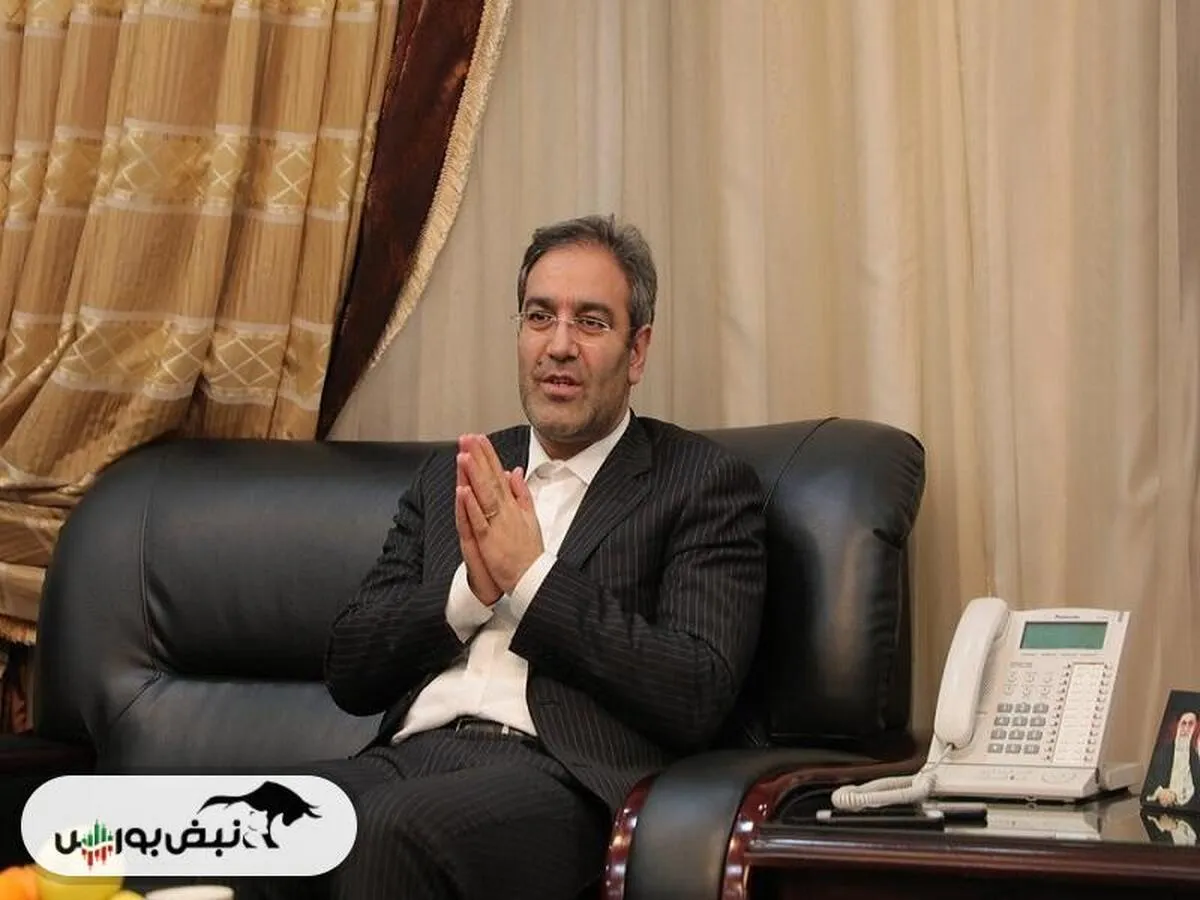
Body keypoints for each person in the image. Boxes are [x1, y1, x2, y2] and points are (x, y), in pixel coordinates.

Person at [245, 215, 767, 900]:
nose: (559, 346)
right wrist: (470, 593)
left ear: (637, 351)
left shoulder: (701, 482)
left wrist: (532, 579)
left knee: (394, 828)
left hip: (562, 778)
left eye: (591, 323)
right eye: (539, 317)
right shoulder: (454, 475)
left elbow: (695, 689)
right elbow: (351, 670)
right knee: (241, 822)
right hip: (409, 757)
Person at [1145, 711, 1200, 809]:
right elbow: (1148, 783)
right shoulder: (1161, 753)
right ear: (1177, 725)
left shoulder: (1196, 758)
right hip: (1161, 809)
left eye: (1190, 724)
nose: (1185, 729)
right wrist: (1160, 792)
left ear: (1195, 728)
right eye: (1183, 723)